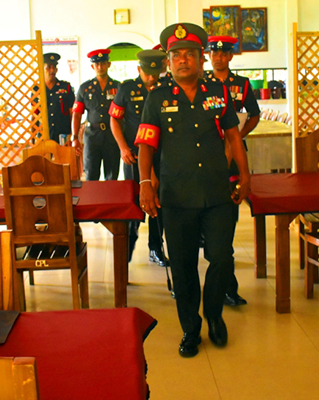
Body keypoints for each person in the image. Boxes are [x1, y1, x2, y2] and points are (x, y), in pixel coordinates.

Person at [136, 23, 251, 358]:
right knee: (183, 265)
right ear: (168, 62)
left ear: (201, 58)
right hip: (176, 195)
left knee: (222, 257)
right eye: (176, 55)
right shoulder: (157, 98)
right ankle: (190, 328)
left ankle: (214, 315)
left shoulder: (218, 92)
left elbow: (233, 136)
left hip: (216, 192)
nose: (183, 60)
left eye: (189, 54)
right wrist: (145, 184)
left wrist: (245, 175)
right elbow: (145, 146)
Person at [205, 35, 261, 307]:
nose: (218, 58)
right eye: (213, 53)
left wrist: (237, 136)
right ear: (209, 57)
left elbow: (254, 114)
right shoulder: (202, 84)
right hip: (206, 157)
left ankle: (228, 287)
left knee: (226, 223)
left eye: (223, 53)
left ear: (230, 56)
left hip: (233, 159)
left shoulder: (242, 84)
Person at [109, 49, 167, 266]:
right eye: (147, 73)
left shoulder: (166, 87)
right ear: (138, 69)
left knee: (158, 204)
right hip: (134, 157)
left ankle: (156, 247)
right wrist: (123, 148)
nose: (151, 78)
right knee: (134, 203)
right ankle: (127, 248)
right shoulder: (126, 89)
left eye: (155, 73)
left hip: (162, 156)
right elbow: (114, 119)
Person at [71, 49, 121, 180]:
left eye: (103, 63)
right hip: (92, 136)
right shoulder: (84, 88)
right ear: (92, 66)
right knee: (91, 175)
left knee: (112, 175)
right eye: (97, 64)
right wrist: (75, 138)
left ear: (108, 64)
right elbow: (76, 114)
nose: (100, 67)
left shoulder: (118, 87)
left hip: (112, 136)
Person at [34, 53, 76, 143]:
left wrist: (72, 135)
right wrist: (33, 140)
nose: (52, 70)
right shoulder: (37, 89)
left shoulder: (66, 87)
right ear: (42, 69)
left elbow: (72, 114)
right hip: (44, 136)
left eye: (54, 67)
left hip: (63, 136)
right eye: (48, 67)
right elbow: (34, 116)